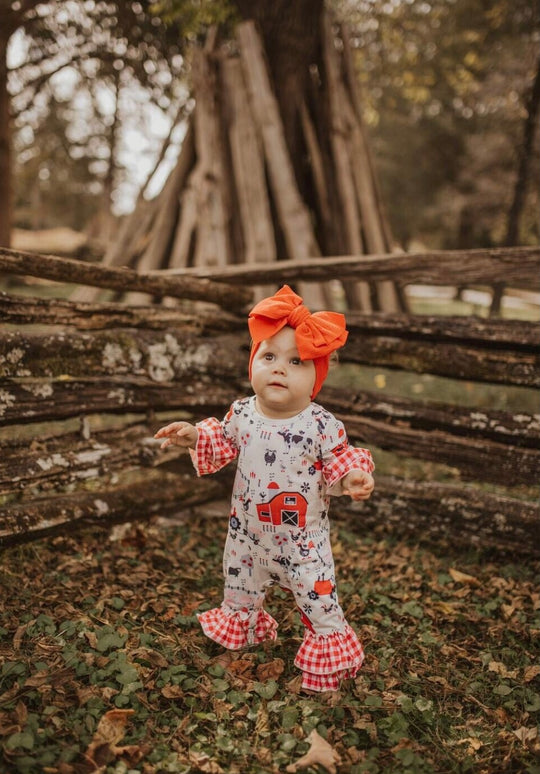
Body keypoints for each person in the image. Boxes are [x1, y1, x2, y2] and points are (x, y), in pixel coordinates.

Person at [154, 285, 374, 693]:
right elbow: (220, 440)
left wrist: (352, 479)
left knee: (318, 598)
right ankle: (245, 627)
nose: (279, 369)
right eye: (269, 356)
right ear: (253, 361)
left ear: (316, 378)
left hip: (303, 544)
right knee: (239, 589)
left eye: (296, 362)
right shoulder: (242, 413)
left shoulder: (320, 424)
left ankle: (328, 658)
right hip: (246, 536)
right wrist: (192, 436)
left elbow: (340, 460)